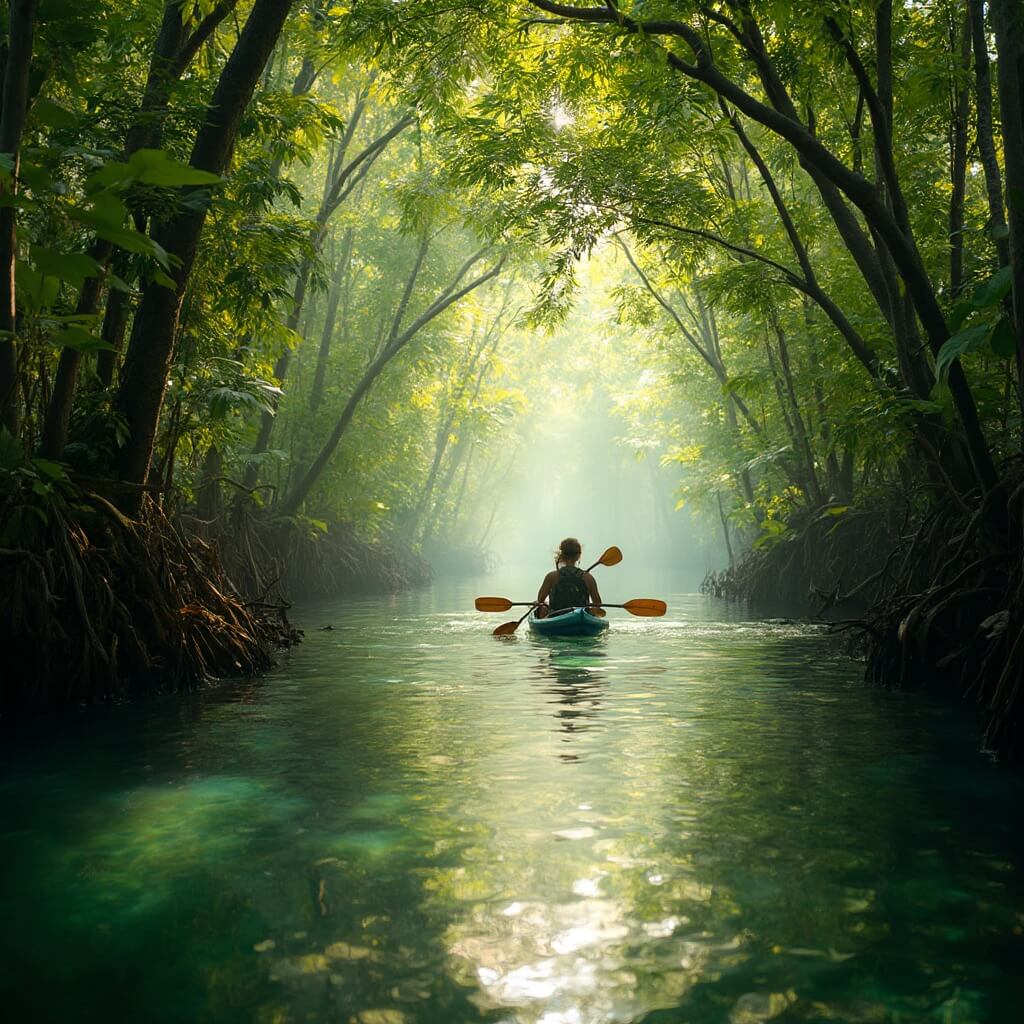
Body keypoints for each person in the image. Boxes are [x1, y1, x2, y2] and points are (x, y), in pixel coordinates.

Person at [536, 537, 603, 618]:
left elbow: (540, 601)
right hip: (580, 617)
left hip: (556, 616)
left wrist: (544, 606)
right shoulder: (588, 578)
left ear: (561, 555)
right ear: (578, 556)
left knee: (541, 607)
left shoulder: (551, 577)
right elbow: (598, 604)